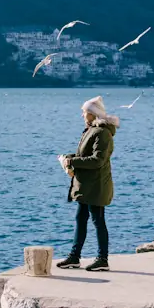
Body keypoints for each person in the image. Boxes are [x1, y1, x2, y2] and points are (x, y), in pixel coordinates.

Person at [55, 95, 119, 272]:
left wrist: (73, 162)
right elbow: (85, 156)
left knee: (98, 221)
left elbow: (97, 160)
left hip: (96, 185)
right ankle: (75, 257)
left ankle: (102, 259)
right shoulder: (91, 130)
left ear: (92, 114)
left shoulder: (102, 133)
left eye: (84, 112)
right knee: (81, 218)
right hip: (86, 185)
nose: (82, 115)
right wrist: (70, 158)